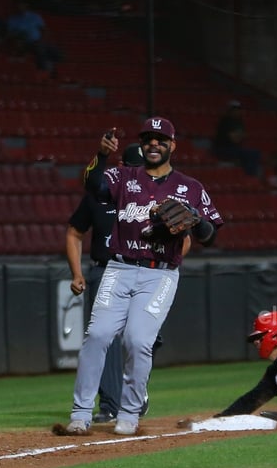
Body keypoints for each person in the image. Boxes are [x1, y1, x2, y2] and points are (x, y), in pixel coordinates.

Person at [63, 117, 224, 436]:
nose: (154, 144)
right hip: (119, 268)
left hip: (160, 275)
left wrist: (193, 221)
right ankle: (80, 413)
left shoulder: (190, 187)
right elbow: (93, 184)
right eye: (149, 138)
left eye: (161, 139)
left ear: (172, 146)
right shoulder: (123, 176)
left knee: (138, 341)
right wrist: (101, 154)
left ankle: (129, 412)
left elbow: (210, 234)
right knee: (97, 336)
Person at [66, 143, 191, 424]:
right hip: (108, 269)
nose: (124, 169)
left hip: (151, 273)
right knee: (100, 337)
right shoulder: (99, 197)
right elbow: (74, 231)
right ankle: (108, 405)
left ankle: (133, 395)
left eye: (131, 166)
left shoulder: (160, 199)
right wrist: (76, 273)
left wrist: (166, 264)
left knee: (141, 339)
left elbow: (185, 240)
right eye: (125, 164)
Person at [5, 0, 64, 75]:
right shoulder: (12, 19)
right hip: (24, 43)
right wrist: (18, 35)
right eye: (18, 6)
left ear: (26, 6)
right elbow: (9, 34)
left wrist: (42, 40)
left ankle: (56, 69)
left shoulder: (35, 16)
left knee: (56, 52)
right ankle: (44, 69)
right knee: (39, 49)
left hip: (38, 41)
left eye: (22, 5)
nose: (20, 8)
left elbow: (44, 30)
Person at [211, 100, 262, 178]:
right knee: (252, 154)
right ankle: (250, 177)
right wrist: (239, 136)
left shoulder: (239, 122)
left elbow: (241, 137)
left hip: (235, 148)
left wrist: (238, 136)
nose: (237, 111)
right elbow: (234, 139)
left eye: (238, 109)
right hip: (223, 149)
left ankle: (249, 177)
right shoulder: (225, 121)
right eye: (235, 109)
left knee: (254, 153)